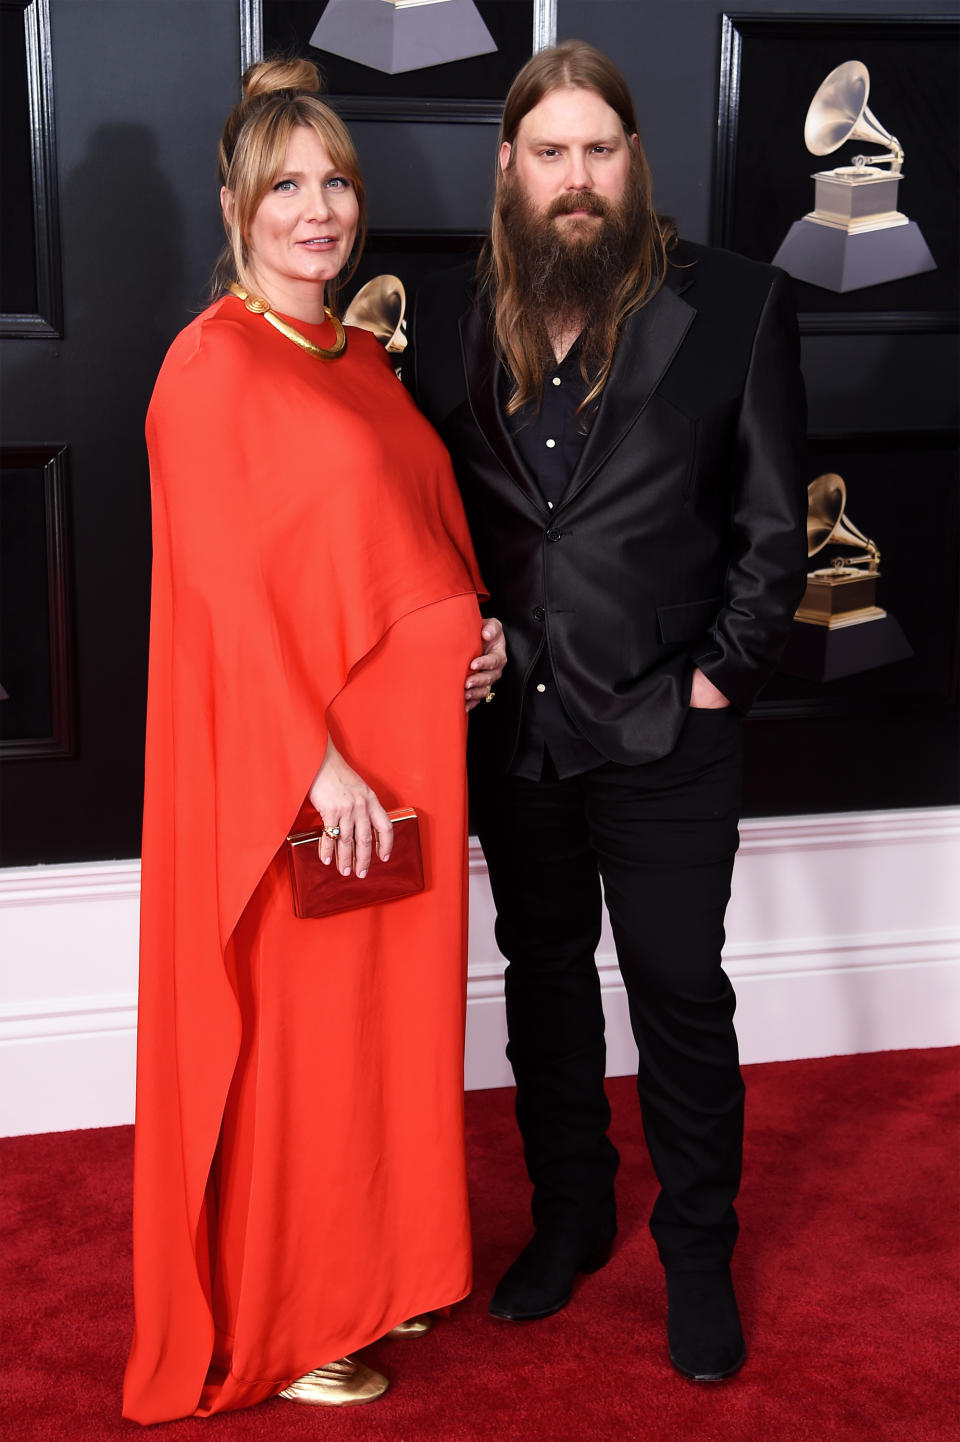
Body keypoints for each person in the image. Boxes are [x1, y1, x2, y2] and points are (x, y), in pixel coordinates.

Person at [409, 40, 807, 1382]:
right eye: (550, 151)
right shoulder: (454, 318)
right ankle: (572, 1216)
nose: (577, 177)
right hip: (516, 729)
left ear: (633, 162)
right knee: (541, 983)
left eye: (600, 149)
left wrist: (715, 680)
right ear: (508, 169)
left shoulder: (738, 305)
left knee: (681, 993)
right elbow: (435, 528)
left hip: (668, 729)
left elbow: (772, 532)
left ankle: (699, 1254)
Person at [122, 59, 505, 1424]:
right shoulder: (210, 366)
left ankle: (382, 1262)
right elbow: (223, 591)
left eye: (336, 180)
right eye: (286, 183)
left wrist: (475, 633)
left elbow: (398, 538)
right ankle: (291, 1315)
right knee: (302, 1040)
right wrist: (315, 760)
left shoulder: (359, 359)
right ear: (234, 204)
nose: (318, 207)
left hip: (410, 755)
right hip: (314, 777)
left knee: (388, 1033)